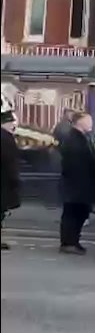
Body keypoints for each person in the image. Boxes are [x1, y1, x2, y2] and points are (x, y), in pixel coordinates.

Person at [58, 112, 95, 254]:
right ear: (79, 122)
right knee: (73, 213)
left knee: (80, 213)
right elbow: (73, 163)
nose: (91, 124)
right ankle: (69, 242)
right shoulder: (73, 139)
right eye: (88, 121)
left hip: (81, 184)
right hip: (76, 184)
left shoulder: (82, 138)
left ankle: (73, 241)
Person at [1, 105, 22, 250]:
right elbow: (9, 161)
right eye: (12, 122)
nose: (14, 125)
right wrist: (15, 179)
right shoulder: (5, 138)